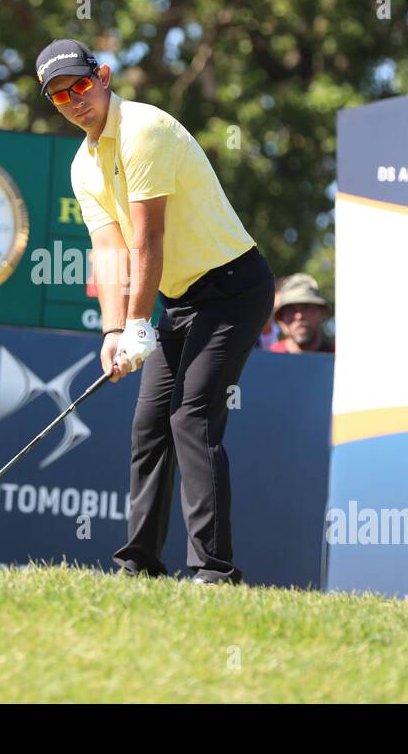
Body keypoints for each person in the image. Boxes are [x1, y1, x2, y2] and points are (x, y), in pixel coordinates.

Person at [37, 37, 273, 585]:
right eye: (58, 95)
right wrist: (114, 329)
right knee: (149, 424)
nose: (73, 100)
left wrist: (140, 324)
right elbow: (111, 251)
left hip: (235, 288)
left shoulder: (144, 130)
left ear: (104, 76)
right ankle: (138, 563)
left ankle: (213, 571)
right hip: (181, 300)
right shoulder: (83, 165)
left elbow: (148, 240)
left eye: (78, 84)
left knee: (192, 416)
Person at [268, 273, 334, 354]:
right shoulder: (268, 357)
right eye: (290, 310)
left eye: (307, 307)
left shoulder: (338, 359)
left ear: (322, 313)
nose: (299, 316)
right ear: (281, 318)